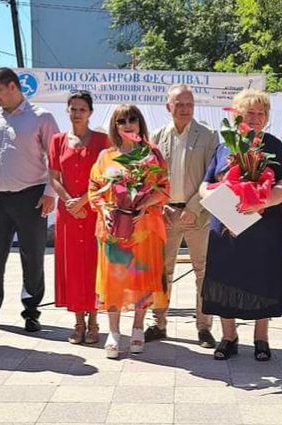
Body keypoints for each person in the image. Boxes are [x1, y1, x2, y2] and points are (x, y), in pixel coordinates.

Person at [199, 89, 282, 361]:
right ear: (237, 114)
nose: (255, 118)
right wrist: (215, 197)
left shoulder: (273, 145)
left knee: (262, 278)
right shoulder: (224, 146)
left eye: (261, 113)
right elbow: (205, 184)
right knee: (224, 280)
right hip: (226, 225)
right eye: (250, 112)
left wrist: (263, 201)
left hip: (263, 226)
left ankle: (261, 338)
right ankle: (228, 337)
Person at [0, 67, 59, 333]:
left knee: (32, 256)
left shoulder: (42, 117)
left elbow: (56, 158)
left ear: (13, 86)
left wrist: (50, 192)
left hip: (32, 196)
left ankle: (31, 312)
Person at [88, 104, 170, 359]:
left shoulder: (152, 154)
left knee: (142, 278)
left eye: (132, 119)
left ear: (139, 122)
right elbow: (94, 188)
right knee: (114, 280)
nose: (127, 124)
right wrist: (103, 208)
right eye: (121, 120)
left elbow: (164, 187)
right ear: (115, 126)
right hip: (114, 229)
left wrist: (145, 204)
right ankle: (114, 332)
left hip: (145, 228)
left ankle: (137, 328)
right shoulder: (106, 156)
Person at [145, 84, 219, 348]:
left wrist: (193, 208)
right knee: (162, 271)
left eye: (189, 104)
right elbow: (150, 177)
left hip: (198, 215)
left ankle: (204, 328)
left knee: (203, 272)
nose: (185, 109)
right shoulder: (156, 136)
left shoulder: (209, 136)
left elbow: (213, 177)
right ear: (168, 107)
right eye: (179, 104)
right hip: (165, 214)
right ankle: (159, 323)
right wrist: (160, 203)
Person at [49, 91, 109, 344]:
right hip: (68, 215)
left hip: (93, 211)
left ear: (90, 112)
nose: (77, 114)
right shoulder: (57, 140)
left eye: (82, 109)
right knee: (72, 266)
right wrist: (69, 202)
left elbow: (107, 178)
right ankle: (78, 323)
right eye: (73, 109)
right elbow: (54, 177)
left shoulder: (102, 140)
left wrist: (83, 200)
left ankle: (94, 322)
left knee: (94, 265)